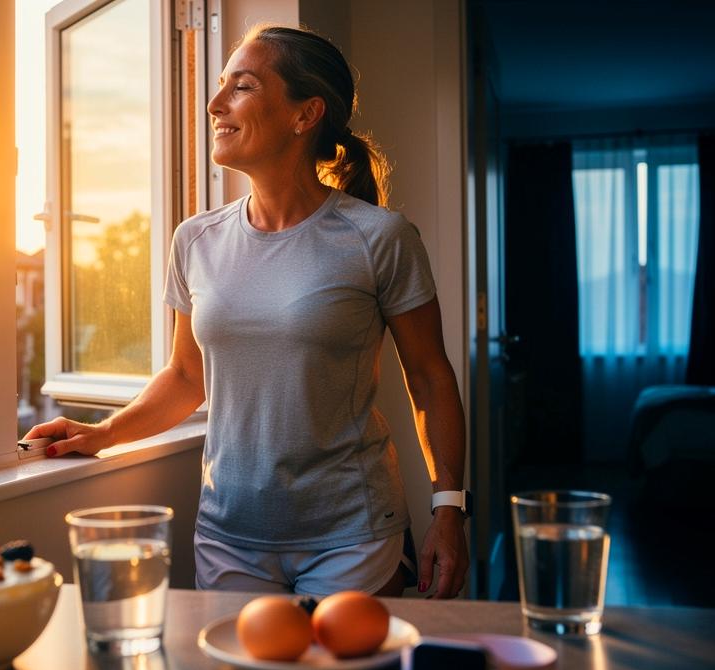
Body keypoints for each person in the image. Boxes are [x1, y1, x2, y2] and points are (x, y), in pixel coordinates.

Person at [24, 24, 468, 599]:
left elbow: (431, 379)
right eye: (220, 86)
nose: (214, 105)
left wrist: (449, 510)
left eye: (242, 87)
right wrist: (102, 433)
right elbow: (187, 376)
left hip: (353, 535)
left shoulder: (378, 237)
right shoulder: (195, 239)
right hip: (228, 535)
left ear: (304, 115)